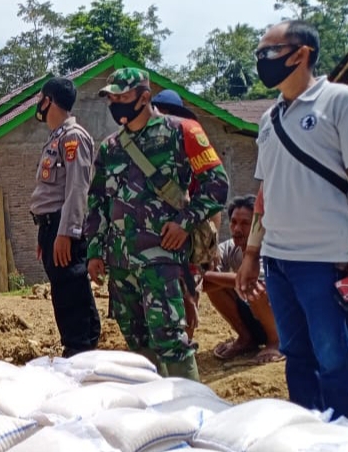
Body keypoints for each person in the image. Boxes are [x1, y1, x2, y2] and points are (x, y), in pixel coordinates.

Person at [85, 68, 228, 380]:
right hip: (122, 261)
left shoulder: (183, 132)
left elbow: (217, 185)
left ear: (144, 97)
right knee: (136, 342)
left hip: (163, 258)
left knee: (171, 340)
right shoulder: (110, 147)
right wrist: (95, 251)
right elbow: (97, 201)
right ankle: (156, 406)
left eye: (122, 97)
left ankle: (191, 407)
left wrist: (184, 224)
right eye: (112, 98)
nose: (115, 103)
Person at [237, 20, 348, 417]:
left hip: (327, 259)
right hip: (279, 260)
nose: (261, 61)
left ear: (301, 54)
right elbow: (265, 193)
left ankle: (341, 447)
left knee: (335, 358)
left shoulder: (338, 101)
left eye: (268, 52)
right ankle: (308, 440)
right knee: (296, 355)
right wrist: (252, 254)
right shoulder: (269, 120)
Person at [28, 77, 101, 357]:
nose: (38, 105)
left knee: (71, 289)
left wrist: (66, 232)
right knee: (63, 289)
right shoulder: (56, 137)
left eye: (40, 98)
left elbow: (76, 189)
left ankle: (80, 348)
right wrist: (44, 235)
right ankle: (77, 345)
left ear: (50, 100)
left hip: (62, 225)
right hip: (51, 226)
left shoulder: (73, 137)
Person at [151, 88, 221, 343]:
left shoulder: (189, 148)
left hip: (186, 236)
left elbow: (213, 199)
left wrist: (209, 249)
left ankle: (185, 345)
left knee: (187, 297)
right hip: (155, 238)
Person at [205, 195, 281, 363]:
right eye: (233, 222)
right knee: (215, 285)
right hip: (253, 317)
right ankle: (246, 339)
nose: (237, 229)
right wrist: (206, 274)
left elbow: (253, 282)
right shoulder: (229, 247)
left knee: (254, 289)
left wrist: (204, 275)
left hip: (281, 321)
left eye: (245, 223)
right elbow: (203, 284)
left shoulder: (270, 248)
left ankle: (276, 342)